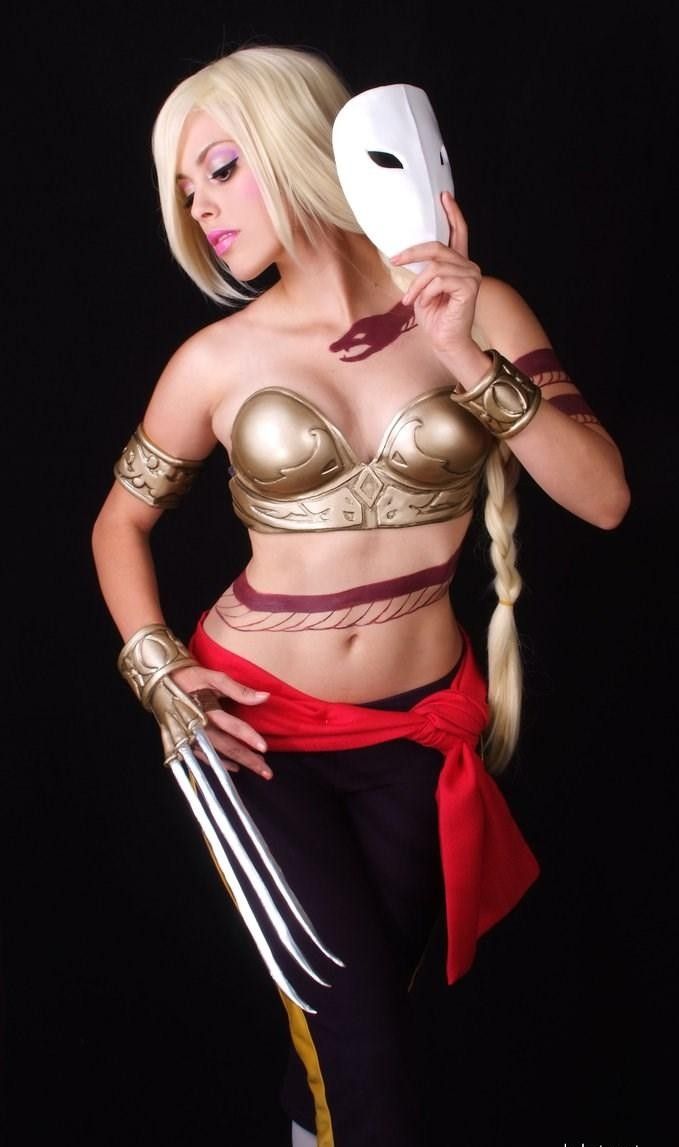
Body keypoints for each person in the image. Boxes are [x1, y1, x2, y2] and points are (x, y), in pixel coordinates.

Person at [91, 43, 630, 1147]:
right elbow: (119, 523)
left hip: (416, 735)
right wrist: (159, 671)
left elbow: (605, 497)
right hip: (255, 736)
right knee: (364, 1040)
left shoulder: (476, 308)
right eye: (186, 191)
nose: (200, 210)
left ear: (302, 146)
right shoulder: (215, 360)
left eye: (221, 169)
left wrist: (462, 350)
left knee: (362, 1022)